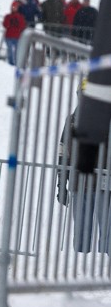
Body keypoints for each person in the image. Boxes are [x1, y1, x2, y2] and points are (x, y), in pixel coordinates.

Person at [57, 78, 110, 253]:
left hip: (104, 185)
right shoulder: (72, 120)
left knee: (107, 234)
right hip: (79, 183)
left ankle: (105, 269)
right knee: (81, 234)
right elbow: (64, 153)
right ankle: (80, 266)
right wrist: (61, 184)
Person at [2, 1, 27, 65]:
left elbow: (22, 26)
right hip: (8, 36)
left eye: (15, 7)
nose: (14, 8)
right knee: (10, 50)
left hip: (17, 37)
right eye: (13, 7)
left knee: (17, 51)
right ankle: (11, 62)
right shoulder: (8, 16)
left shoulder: (20, 17)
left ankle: (16, 62)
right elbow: (5, 25)